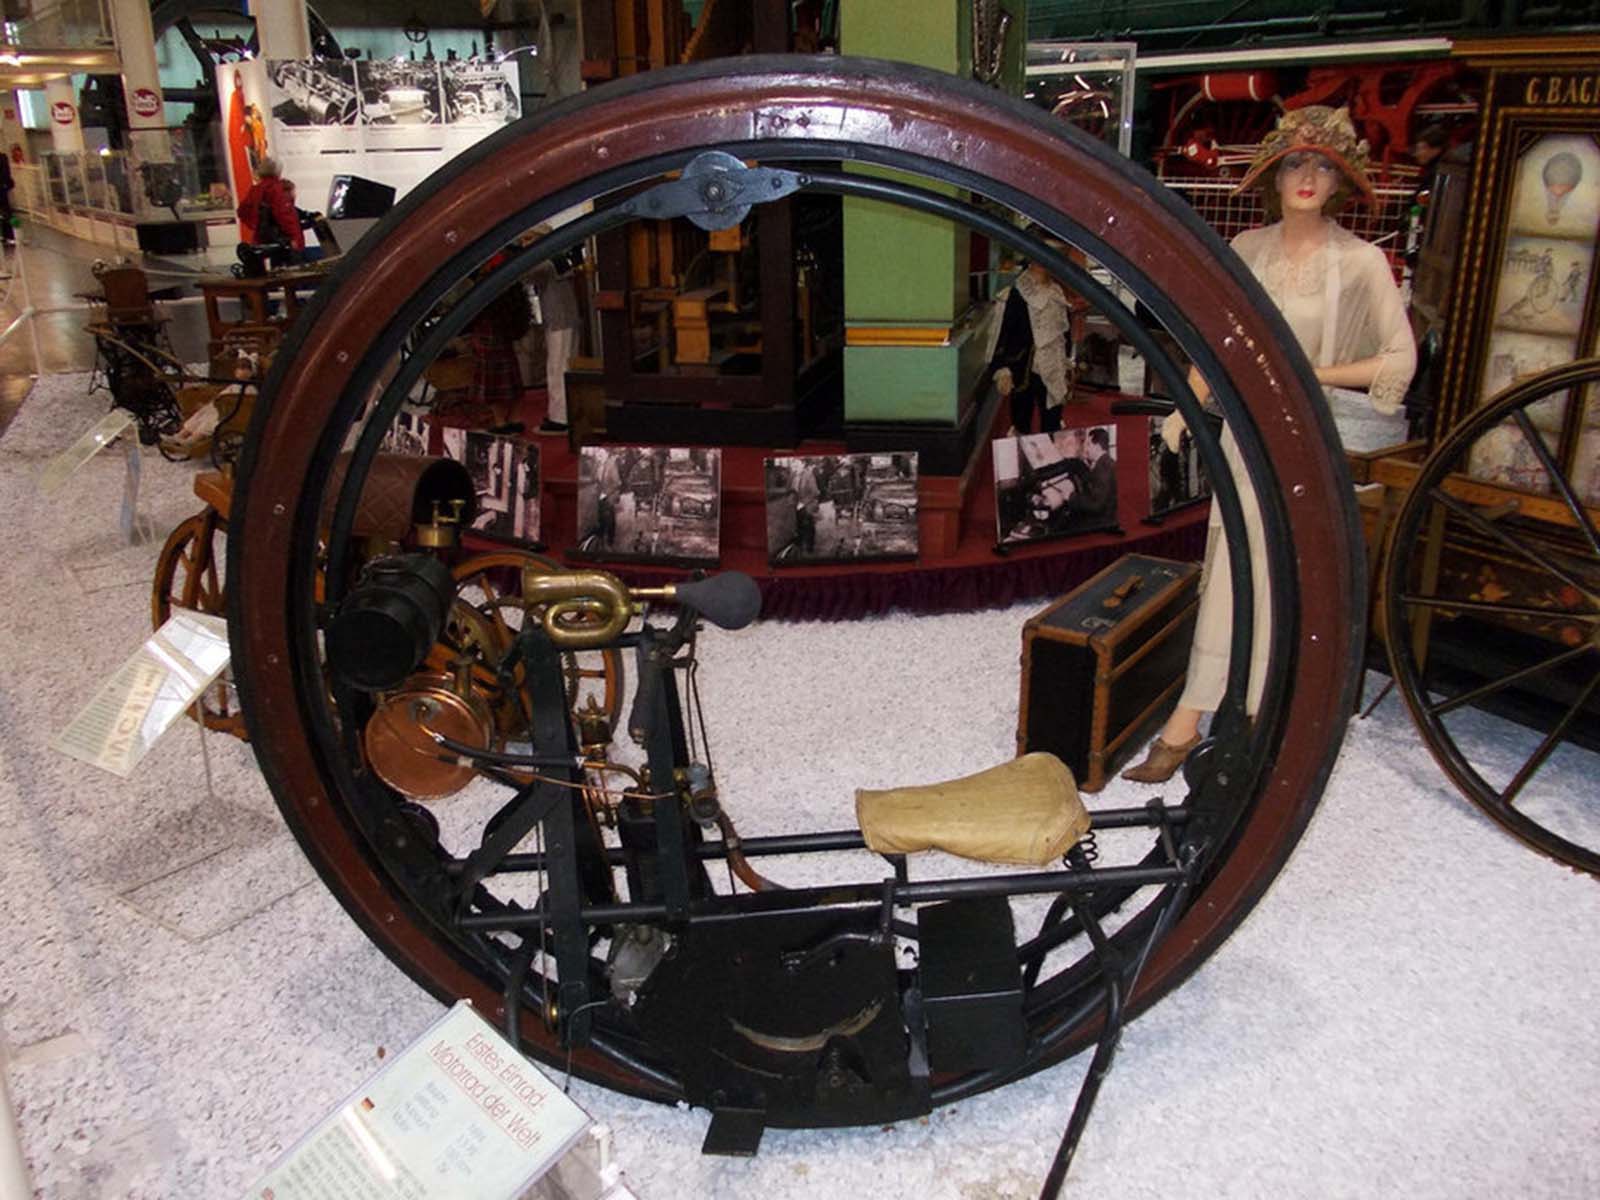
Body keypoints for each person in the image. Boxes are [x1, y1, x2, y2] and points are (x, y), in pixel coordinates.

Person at [1123, 106, 1416, 784]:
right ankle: (1196, 713)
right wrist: (1184, 406)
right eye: (1294, 164)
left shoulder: (1362, 261)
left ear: (1340, 181)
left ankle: (1254, 714)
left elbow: (1398, 360)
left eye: (1321, 166)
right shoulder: (1249, 250)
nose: (1307, 177)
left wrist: (1312, 374)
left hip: (1309, 441)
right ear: (1273, 176)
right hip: (1246, 435)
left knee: (1288, 575)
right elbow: (1217, 341)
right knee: (1228, 568)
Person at [986, 247, 1076, 435]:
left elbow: (1063, 334)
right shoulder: (1016, 294)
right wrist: (1003, 369)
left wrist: (1066, 363)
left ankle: (1051, 460)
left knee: (1052, 420)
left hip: (1053, 366)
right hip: (1023, 367)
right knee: (1021, 422)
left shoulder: (1057, 292)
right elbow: (1003, 333)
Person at [235, 156, 304, 269]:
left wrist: (255, 224)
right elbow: (284, 215)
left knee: (274, 272)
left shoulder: (256, 189)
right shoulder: (277, 189)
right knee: (291, 272)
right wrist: (294, 238)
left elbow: (242, 211)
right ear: (278, 171)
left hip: (263, 237)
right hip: (282, 240)